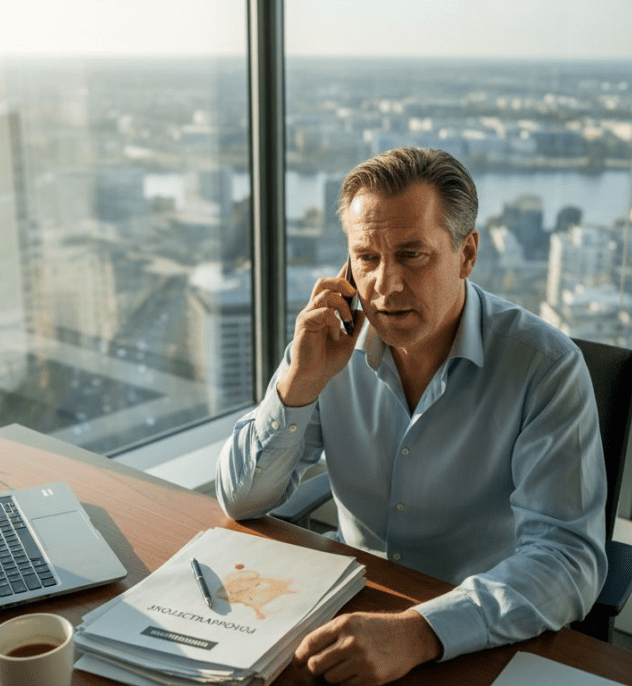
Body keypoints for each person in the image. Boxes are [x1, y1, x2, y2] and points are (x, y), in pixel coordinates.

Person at [215, 147, 606, 685]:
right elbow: (241, 498)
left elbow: (568, 562)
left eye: (412, 254)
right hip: (353, 615)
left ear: (466, 254)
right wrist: (298, 386)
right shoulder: (327, 343)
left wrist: (420, 630)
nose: (385, 284)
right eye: (367, 258)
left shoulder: (546, 368)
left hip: (481, 635)